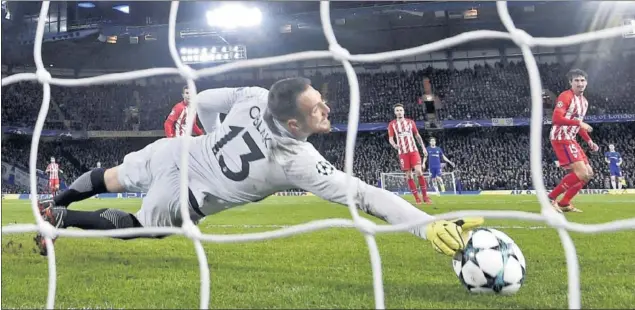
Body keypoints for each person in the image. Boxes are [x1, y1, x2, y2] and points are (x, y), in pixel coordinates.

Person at [35, 78, 483, 258]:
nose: (326, 109)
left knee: (110, 176)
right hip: (190, 192)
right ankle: (59, 217)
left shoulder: (255, 95)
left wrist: (210, 138)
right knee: (140, 227)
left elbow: (204, 101)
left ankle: (55, 202)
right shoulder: (298, 161)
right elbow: (367, 196)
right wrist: (426, 226)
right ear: (293, 123)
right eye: (316, 109)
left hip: (178, 150)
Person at [547, 69, 598, 213]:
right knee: (582, 173)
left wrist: (589, 141)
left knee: (588, 174)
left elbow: (577, 123)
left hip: (571, 139)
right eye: (576, 80)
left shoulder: (584, 102)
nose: (580, 83)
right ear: (571, 82)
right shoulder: (566, 96)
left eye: (582, 80)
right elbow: (556, 119)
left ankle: (564, 203)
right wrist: (580, 124)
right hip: (561, 137)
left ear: (586, 83)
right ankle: (550, 198)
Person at [387, 104, 431, 204]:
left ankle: (425, 196)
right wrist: (394, 145)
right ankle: (417, 198)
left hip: (413, 151)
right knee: (408, 176)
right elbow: (390, 138)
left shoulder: (410, 122)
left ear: (404, 111)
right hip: (403, 153)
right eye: (397, 110)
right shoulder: (392, 124)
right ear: (395, 112)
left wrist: (423, 148)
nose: (399, 112)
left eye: (400, 110)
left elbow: (417, 136)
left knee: (419, 172)